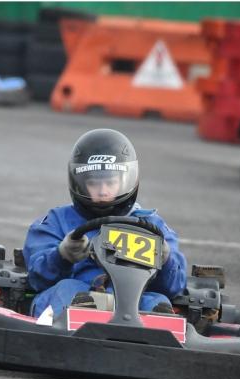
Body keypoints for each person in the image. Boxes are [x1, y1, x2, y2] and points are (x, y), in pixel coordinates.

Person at [22, 129, 187, 318]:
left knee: (157, 301)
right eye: (94, 183)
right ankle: (81, 316)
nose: (103, 191)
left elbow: (175, 287)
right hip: (70, 298)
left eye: (110, 182)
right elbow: (35, 279)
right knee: (69, 288)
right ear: (79, 182)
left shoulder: (151, 226)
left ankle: (159, 331)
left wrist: (165, 260)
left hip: (133, 302)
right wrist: (61, 256)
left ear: (126, 180)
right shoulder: (57, 221)